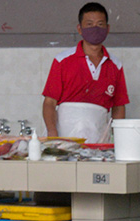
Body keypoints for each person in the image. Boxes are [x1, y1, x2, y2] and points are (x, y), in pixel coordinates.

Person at [41, 2, 128, 142]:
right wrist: (52, 134)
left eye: (100, 24)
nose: (95, 29)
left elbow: (119, 106)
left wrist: (116, 137)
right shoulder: (62, 60)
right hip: (63, 136)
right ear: (80, 29)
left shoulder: (115, 65)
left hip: (98, 136)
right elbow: (49, 102)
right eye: (89, 24)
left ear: (107, 28)